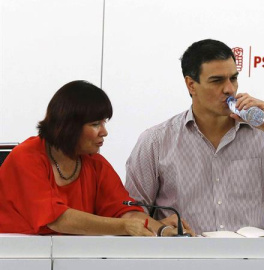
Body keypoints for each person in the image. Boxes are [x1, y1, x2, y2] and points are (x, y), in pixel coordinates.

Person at [125, 39, 264, 234]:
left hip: (250, 261)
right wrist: (160, 228)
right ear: (191, 85)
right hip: (185, 260)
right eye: (217, 80)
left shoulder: (263, 134)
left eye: (233, 78)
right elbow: (132, 212)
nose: (229, 89)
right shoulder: (156, 141)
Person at [0, 80, 183, 236]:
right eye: (95, 124)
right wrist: (123, 227)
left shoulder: (96, 164)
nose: (104, 132)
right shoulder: (25, 157)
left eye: (104, 122)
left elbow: (125, 212)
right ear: (68, 125)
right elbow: (56, 219)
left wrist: (162, 230)